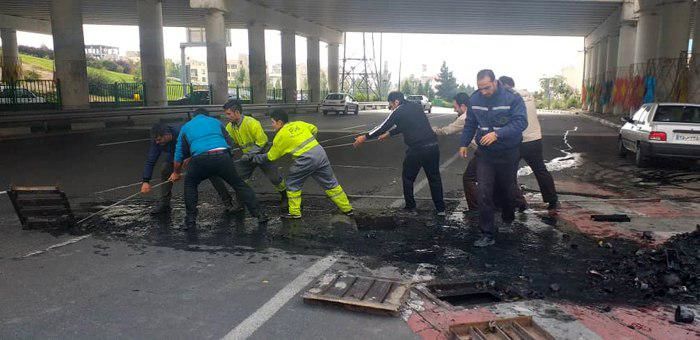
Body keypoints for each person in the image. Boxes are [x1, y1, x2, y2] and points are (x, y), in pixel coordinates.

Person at [459, 70, 527, 247]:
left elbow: (521, 122)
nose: (484, 92)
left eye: (487, 88)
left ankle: (508, 215)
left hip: (508, 151)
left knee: (507, 188)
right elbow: (470, 123)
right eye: (480, 88)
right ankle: (487, 233)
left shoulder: (512, 98)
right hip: (486, 154)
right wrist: (463, 143)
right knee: (484, 191)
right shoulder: (475, 99)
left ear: (495, 82)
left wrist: (498, 134)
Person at [168, 108, 265, 228]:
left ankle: (190, 220)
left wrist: (176, 172)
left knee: (190, 185)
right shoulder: (216, 122)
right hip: (222, 156)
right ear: (207, 116)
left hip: (200, 159)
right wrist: (228, 157)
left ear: (194, 117)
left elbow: (178, 153)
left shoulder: (186, 126)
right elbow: (228, 141)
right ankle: (259, 214)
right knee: (239, 184)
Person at [354, 91, 445, 216]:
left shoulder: (398, 111)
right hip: (433, 147)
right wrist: (390, 134)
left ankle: (410, 207)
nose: (390, 107)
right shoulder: (416, 106)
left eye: (391, 105)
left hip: (417, 149)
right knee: (434, 178)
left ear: (396, 101)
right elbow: (407, 125)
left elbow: (382, 126)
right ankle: (441, 210)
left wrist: (364, 137)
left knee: (408, 177)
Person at [252, 110, 353, 219]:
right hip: (320, 154)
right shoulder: (299, 123)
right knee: (331, 184)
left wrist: (256, 158)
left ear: (280, 122)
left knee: (292, 183)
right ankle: (347, 209)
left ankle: (295, 212)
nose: (272, 125)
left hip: (305, 160)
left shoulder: (280, 136)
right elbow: (314, 129)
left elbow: (271, 156)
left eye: (273, 122)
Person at [140, 123, 234, 214]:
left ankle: (227, 201)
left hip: (194, 151)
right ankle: (164, 203)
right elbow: (151, 160)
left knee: (210, 171)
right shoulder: (157, 141)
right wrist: (146, 181)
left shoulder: (183, 133)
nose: (157, 142)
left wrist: (190, 157)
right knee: (165, 170)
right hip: (174, 154)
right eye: (155, 140)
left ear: (167, 135)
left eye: (159, 140)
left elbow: (199, 146)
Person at [498, 76, 559, 212]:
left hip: (517, 142)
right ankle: (552, 199)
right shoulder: (529, 96)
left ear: (505, 86)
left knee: (508, 173)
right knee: (540, 170)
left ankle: (518, 202)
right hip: (535, 140)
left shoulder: (510, 99)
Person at [222, 99, 288, 210]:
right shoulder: (230, 127)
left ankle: (285, 198)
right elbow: (229, 142)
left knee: (275, 178)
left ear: (237, 112)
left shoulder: (251, 122)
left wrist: (250, 154)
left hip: (263, 154)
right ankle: (240, 203)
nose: (227, 116)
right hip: (248, 157)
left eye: (229, 114)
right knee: (240, 178)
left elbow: (262, 141)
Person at [433, 92, 479, 213]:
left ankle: (475, 210)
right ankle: (518, 203)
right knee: (497, 177)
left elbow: (448, 130)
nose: (454, 110)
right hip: (493, 149)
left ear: (463, 106)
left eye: (455, 107)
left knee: (468, 178)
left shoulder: (465, 117)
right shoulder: (476, 111)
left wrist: (434, 130)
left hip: (484, 152)